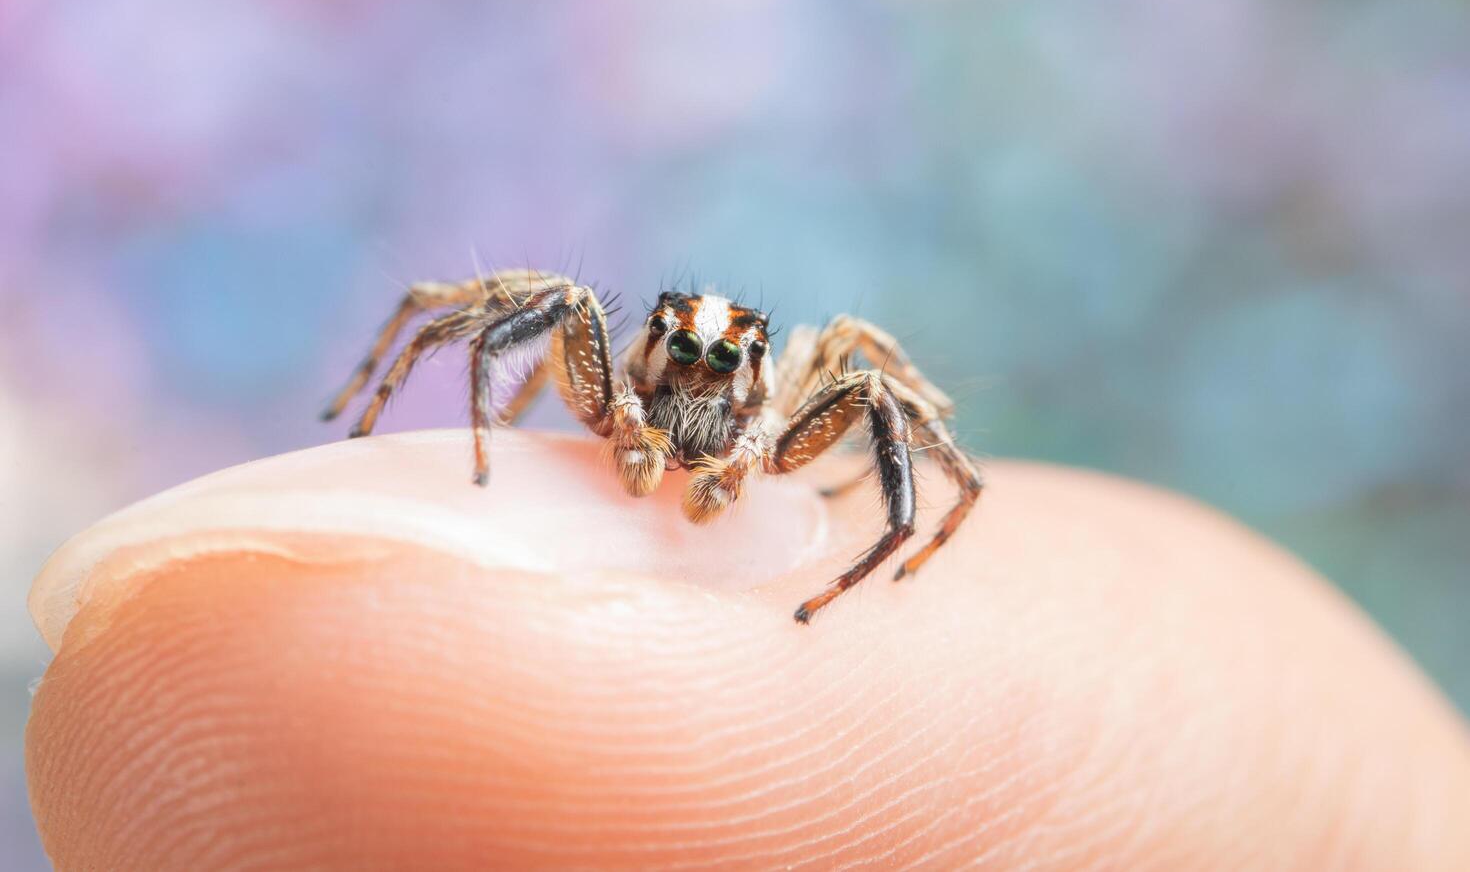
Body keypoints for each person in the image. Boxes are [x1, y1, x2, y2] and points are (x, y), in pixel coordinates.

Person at [25, 431, 1470, 869]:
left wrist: (882, 541)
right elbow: (505, 322)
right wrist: (481, 444)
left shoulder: (793, 398)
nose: (697, 403)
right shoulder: (606, 361)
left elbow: (894, 409)